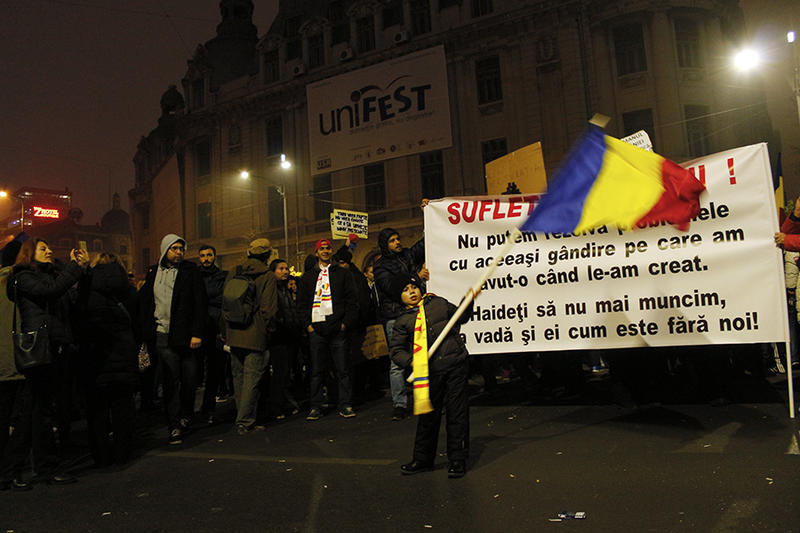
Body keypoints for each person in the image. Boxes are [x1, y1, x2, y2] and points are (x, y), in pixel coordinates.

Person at [7, 238, 89, 484]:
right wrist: (74, 267)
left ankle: (28, 469)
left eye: (49, 248)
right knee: (33, 412)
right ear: (29, 254)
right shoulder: (23, 277)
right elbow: (50, 291)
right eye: (43, 249)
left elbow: (72, 300)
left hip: (54, 349)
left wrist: (82, 271)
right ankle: (23, 469)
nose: (50, 251)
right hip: (38, 352)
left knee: (39, 411)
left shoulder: (52, 275)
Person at [389, 274, 474, 478]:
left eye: (413, 287)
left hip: (455, 365)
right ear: (399, 297)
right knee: (428, 417)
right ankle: (423, 459)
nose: (411, 292)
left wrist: (467, 302)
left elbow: (461, 316)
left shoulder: (439, 303)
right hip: (428, 373)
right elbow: (396, 350)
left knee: (457, 414)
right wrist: (412, 362)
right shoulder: (403, 321)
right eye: (405, 290)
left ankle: (457, 460)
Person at [138, 234, 207, 445]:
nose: (179, 252)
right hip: (162, 336)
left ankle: (186, 415)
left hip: (185, 337)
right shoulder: (153, 272)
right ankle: (174, 424)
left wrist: (197, 333)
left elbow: (199, 303)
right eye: (174, 248)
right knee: (170, 382)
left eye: (181, 249)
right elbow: (145, 303)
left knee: (188, 380)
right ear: (165, 249)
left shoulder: (190, 271)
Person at [76, 252, 139, 467]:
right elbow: (139, 321)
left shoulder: (86, 290)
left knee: (97, 413)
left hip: (95, 360)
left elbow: (79, 324)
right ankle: (123, 453)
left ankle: (101, 456)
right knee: (123, 410)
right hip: (124, 358)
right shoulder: (127, 291)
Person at [221, 238, 278, 434]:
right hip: (255, 335)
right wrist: (267, 332)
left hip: (234, 333)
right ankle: (245, 422)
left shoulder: (234, 271)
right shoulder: (267, 275)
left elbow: (225, 303)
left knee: (238, 378)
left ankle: (241, 417)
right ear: (267, 255)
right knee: (252, 380)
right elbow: (269, 311)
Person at [373, 218, 428, 420]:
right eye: (392, 240)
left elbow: (423, 243)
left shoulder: (406, 255)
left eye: (398, 239)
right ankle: (400, 403)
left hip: (416, 312)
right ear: (385, 245)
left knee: (422, 355)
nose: (397, 242)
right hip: (395, 317)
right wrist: (417, 277)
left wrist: (428, 215)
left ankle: (424, 398)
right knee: (397, 362)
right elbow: (392, 288)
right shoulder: (380, 266)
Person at [297, 239, 359, 420]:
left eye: (327, 248)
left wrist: (345, 324)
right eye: (321, 249)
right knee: (316, 370)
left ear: (331, 252)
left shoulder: (343, 274)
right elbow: (301, 305)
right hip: (316, 331)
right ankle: (315, 406)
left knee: (343, 369)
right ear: (316, 253)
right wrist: (308, 326)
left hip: (337, 329)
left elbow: (352, 301)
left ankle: (345, 404)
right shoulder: (307, 277)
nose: (325, 251)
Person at [0, 236, 32, 491]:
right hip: (17, 362)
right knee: (20, 420)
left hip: (7, 363)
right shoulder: (20, 282)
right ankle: (12, 471)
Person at [196, 244, 228, 424]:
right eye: (203, 256)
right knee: (197, 370)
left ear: (214, 256)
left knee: (214, 369)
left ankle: (208, 408)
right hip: (200, 328)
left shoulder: (221, 276)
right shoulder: (195, 276)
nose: (206, 258)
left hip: (215, 327)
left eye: (209, 255)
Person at [268, 258, 301, 419]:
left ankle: (285, 403)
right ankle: (278, 406)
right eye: (281, 269)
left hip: (289, 336)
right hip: (279, 337)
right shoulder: (273, 289)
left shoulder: (285, 289)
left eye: (286, 268)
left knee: (286, 373)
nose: (285, 271)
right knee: (280, 374)